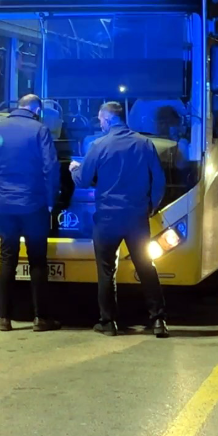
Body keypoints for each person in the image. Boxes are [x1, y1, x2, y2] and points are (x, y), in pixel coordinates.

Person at [70, 102, 169, 338]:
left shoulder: (98, 145)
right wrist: (151, 207)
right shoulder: (145, 144)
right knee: (146, 267)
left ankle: (108, 322)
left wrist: (74, 168)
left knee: (106, 270)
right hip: (136, 218)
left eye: (100, 119)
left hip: (107, 219)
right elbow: (159, 181)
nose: (100, 123)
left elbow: (83, 180)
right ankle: (158, 320)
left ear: (107, 119)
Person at [0, 94, 61, 333]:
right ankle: (40, 318)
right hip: (34, 204)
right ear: (36, 110)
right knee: (37, 261)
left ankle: (4, 318)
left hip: (5, 204)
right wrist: (50, 200)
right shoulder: (39, 130)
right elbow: (51, 167)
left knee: (6, 258)